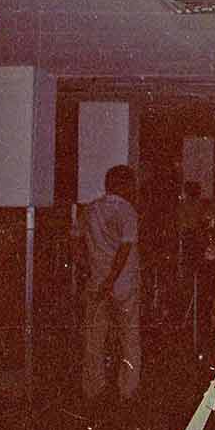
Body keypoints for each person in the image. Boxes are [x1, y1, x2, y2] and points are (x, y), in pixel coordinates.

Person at [78, 164, 142, 411]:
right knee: (129, 337)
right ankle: (128, 389)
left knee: (94, 337)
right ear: (124, 185)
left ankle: (93, 387)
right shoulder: (127, 211)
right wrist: (112, 278)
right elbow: (125, 249)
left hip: (96, 281)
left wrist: (90, 269)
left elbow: (76, 241)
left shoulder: (91, 209)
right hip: (123, 284)